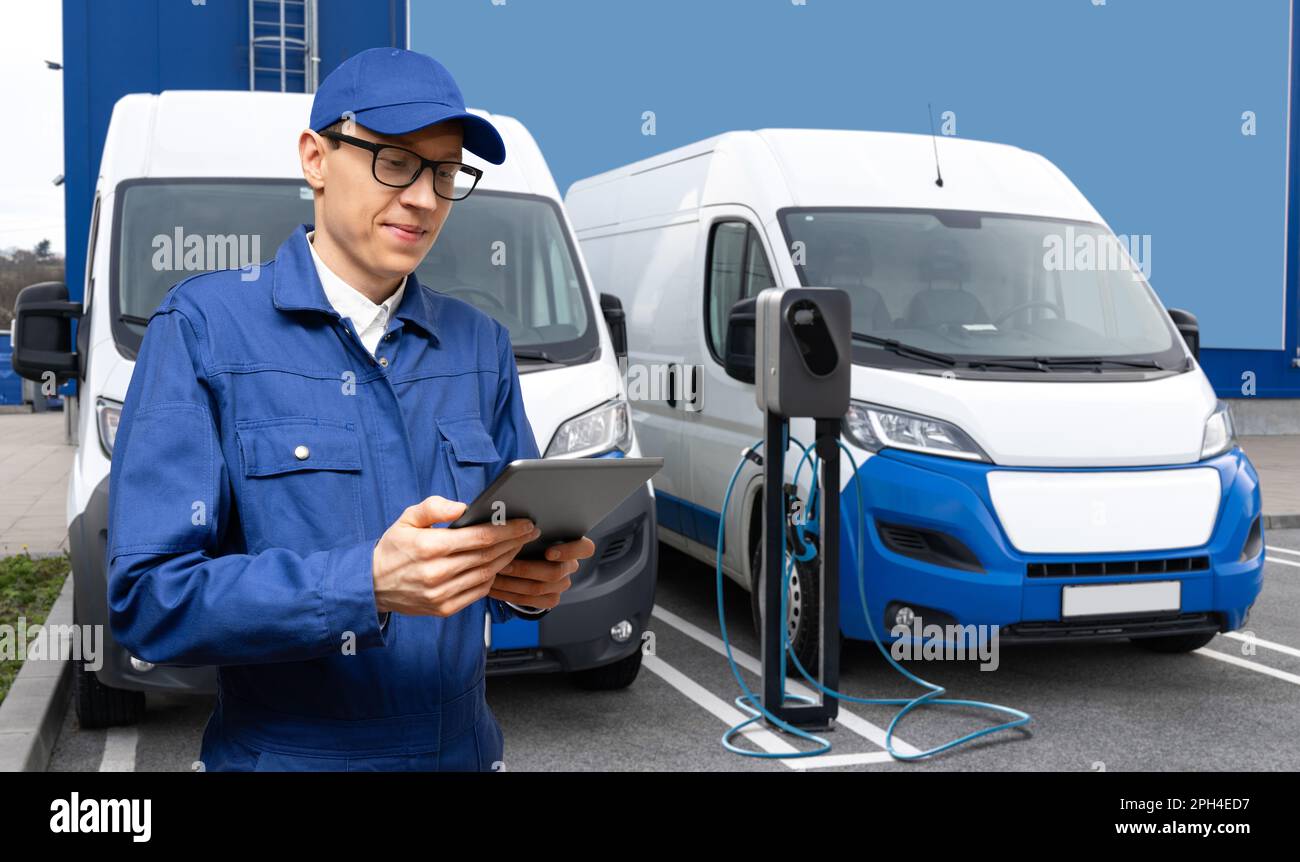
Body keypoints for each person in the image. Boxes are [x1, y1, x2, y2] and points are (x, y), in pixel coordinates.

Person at [106, 47, 592, 771]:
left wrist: (524, 587)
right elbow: (149, 601)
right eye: (394, 161)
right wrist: (361, 585)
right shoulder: (205, 330)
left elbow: (491, 558)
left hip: (463, 752)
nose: (425, 198)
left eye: (445, 171)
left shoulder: (479, 344)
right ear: (315, 158)